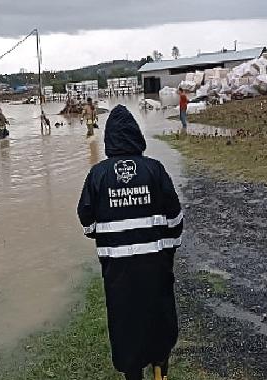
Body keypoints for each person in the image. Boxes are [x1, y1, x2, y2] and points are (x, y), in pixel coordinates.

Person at [78, 105, 183, 380]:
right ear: (136, 135)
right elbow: (175, 216)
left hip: (117, 271)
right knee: (159, 319)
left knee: (125, 324)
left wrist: (107, 237)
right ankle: (160, 371)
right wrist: (168, 250)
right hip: (156, 267)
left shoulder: (98, 175)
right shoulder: (154, 170)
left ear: (109, 139)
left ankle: (133, 375)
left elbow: (86, 219)